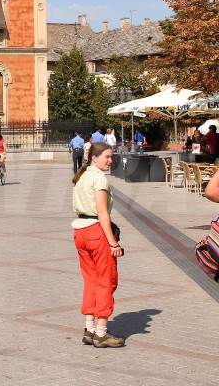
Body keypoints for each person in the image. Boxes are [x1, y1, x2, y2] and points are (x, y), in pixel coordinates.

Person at [72, 142, 125, 348]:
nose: (110, 161)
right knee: (106, 280)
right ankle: (101, 332)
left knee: (91, 280)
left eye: (111, 157)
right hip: (96, 231)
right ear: (94, 158)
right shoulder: (99, 178)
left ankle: (90, 328)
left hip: (80, 231)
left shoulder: (82, 176)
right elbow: (102, 212)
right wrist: (113, 242)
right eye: (107, 157)